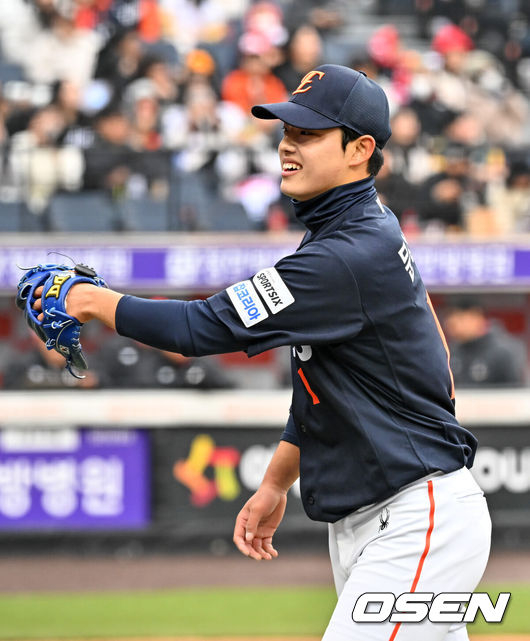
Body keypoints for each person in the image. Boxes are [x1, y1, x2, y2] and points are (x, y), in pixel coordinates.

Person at [30, 64, 491, 640]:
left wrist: (90, 300)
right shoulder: (351, 231)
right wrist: (276, 482)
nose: (287, 145)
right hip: (393, 516)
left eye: (308, 134)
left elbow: (200, 328)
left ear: (360, 150)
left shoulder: (346, 254)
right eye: (287, 131)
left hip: (416, 518)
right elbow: (324, 385)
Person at [444, 298, 527, 388]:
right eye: (449, 319)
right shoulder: (451, 352)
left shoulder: (503, 353)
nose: (451, 324)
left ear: (476, 316)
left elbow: (515, 392)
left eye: (459, 318)